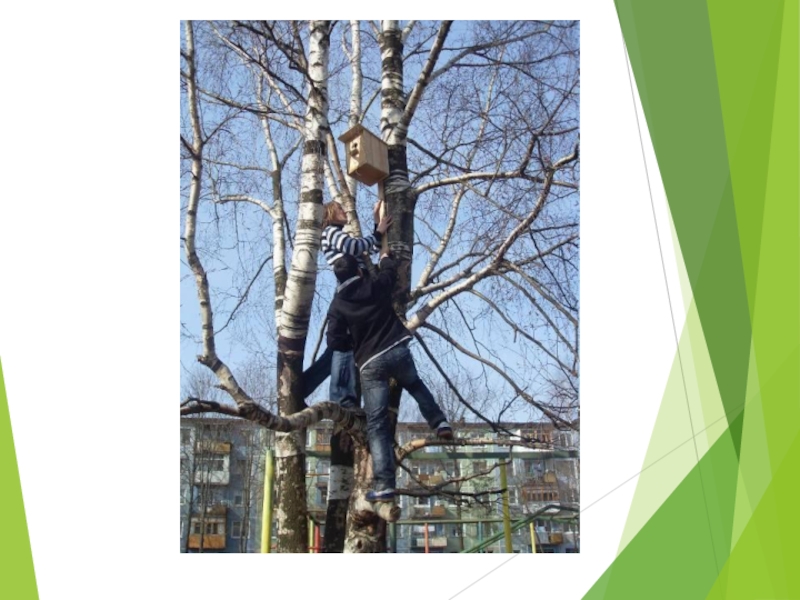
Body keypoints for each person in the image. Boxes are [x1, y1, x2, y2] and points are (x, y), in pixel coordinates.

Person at [327, 252, 454, 503]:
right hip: (396, 348)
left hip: (369, 363)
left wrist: (352, 343)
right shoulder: (373, 284)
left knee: (377, 424)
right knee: (415, 385)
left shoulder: (338, 304)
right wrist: (385, 258)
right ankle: (439, 422)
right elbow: (389, 275)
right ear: (359, 271)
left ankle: (385, 485)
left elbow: (334, 340)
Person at [303, 201, 391, 408]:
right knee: (345, 344)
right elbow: (355, 246)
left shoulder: (339, 235)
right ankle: (343, 399)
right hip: (350, 291)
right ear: (329, 214)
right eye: (340, 209)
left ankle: (300, 389)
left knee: (335, 350)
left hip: (354, 289)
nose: (344, 211)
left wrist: (377, 224)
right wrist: (377, 232)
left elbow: (369, 248)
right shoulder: (331, 232)